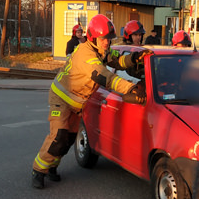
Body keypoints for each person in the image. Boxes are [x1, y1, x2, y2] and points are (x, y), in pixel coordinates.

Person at [32, 15, 147, 189]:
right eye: (103, 39)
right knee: (59, 136)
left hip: (76, 102)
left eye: (109, 39)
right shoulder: (86, 55)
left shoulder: (101, 50)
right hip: (61, 99)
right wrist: (130, 89)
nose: (107, 43)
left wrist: (134, 58)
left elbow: (117, 60)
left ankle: (52, 166)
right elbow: (106, 77)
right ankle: (38, 171)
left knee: (69, 138)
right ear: (93, 37)